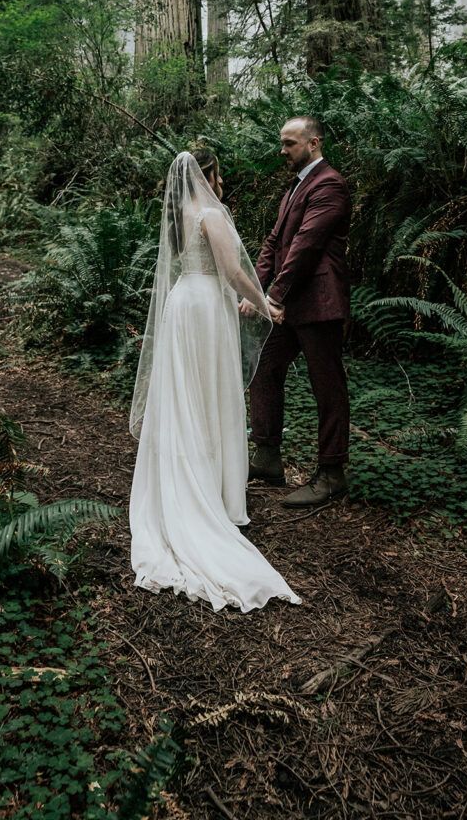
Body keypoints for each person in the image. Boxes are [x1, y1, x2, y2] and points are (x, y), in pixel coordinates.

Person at [128, 149, 301, 612]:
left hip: (183, 303)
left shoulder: (176, 214)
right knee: (210, 395)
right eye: (219, 172)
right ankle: (214, 494)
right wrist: (266, 304)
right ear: (208, 176)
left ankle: (189, 477)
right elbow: (233, 272)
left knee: (187, 396)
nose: (222, 179)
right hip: (206, 308)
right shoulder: (211, 212)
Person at [241, 116, 352, 509]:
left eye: (290, 143)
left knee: (327, 387)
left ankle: (332, 473)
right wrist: (253, 291)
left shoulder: (329, 184)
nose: (282, 150)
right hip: (286, 306)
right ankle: (267, 458)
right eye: (282, 143)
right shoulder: (296, 187)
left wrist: (275, 296)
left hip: (319, 304)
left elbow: (306, 246)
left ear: (314, 143)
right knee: (264, 368)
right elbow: (275, 243)